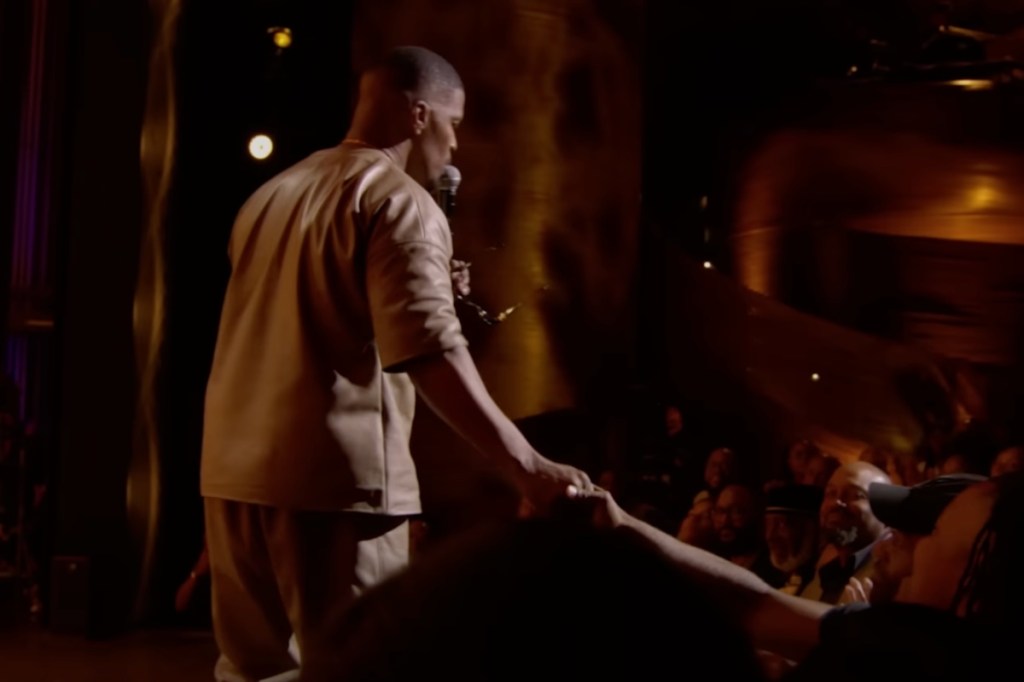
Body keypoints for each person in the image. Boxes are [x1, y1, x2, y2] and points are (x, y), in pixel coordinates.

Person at [200, 45, 591, 682]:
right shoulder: (401, 203)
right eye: (453, 122)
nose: (455, 144)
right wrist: (528, 467)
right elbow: (429, 351)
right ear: (418, 115)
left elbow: (306, 317)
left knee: (251, 672)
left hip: (231, 475)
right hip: (335, 486)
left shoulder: (269, 195)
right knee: (362, 667)